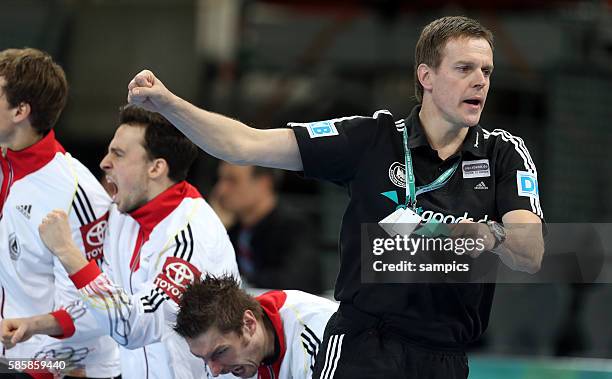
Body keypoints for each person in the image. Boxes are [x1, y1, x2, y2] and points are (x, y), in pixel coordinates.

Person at [125, 16, 545, 378]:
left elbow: (531, 252)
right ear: (426, 76)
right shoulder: (370, 139)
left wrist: (490, 234)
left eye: (487, 71)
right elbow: (246, 144)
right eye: (465, 68)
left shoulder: (503, 153)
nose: (480, 81)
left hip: (446, 357)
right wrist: (170, 105)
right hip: (364, 345)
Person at [1, 106, 240, 379]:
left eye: (119, 154)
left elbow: (133, 327)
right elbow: (105, 307)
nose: (104, 162)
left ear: (156, 167)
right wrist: (34, 325)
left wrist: (67, 251)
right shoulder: (122, 217)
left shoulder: (191, 238)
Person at [0, 48, 120, 378]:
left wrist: (36, 370)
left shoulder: (76, 194)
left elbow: (94, 310)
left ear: (20, 111)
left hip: (53, 365)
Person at [175, 274, 337, 379]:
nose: (214, 371)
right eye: (203, 358)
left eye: (220, 352)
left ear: (248, 323)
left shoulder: (321, 332)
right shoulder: (233, 361)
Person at [212, 162, 321, 292]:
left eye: (232, 181)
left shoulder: (293, 227)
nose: (220, 190)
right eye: (220, 179)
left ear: (264, 184)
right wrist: (216, 228)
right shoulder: (232, 230)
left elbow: (295, 282)